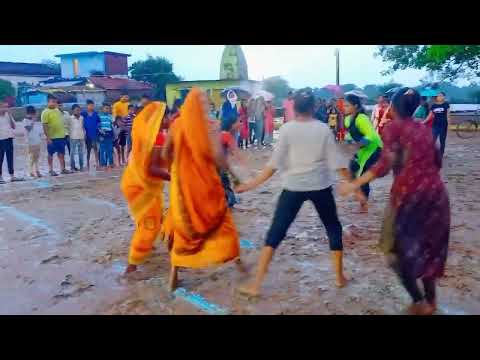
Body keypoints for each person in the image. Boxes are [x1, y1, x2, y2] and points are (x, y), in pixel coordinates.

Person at [338, 88, 450, 315]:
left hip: (408, 199)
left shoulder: (393, 128)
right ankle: (431, 301)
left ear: (394, 108)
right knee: (429, 250)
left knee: (393, 252)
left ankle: (418, 301)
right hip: (437, 197)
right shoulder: (425, 130)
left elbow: (383, 165)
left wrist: (354, 184)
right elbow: (437, 162)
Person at [235, 89, 350, 298]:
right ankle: (339, 277)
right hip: (320, 186)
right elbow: (337, 163)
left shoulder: (287, 130)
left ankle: (256, 284)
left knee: (275, 233)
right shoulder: (323, 129)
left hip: (293, 187)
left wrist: (251, 184)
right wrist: (354, 185)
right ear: (314, 107)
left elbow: (273, 166)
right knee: (333, 228)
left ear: (294, 108)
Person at [160, 87, 242, 291]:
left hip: (182, 186)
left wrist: (176, 166)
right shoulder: (210, 127)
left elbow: (164, 153)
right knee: (221, 221)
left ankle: (174, 274)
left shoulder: (176, 125)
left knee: (183, 228)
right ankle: (239, 263)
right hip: (206, 186)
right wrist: (235, 176)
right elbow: (218, 158)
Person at [121, 101, 171, 274]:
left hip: (135, 182)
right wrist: (175, 178)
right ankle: (132, 265)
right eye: (167, 116)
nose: (170, 119)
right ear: (160, 118)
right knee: (150, 225)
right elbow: (153, 168)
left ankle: (144, 248)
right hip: (142, 187)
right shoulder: (156, 137)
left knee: (151, 218)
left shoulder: (148, 135)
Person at [343, 93, 383, 212]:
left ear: (355, 106)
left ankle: (363, 205)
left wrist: (356, 145)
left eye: (347, 105)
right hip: (362, 151)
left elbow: (370, 135)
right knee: (352, 170)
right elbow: (350, 134)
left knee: (362, 175)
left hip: (373, 149)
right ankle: (361, 197)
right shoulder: (347, 119)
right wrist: (347, 142)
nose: (344, 108)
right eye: (344, 105)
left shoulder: (362, 118)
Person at [41, 95, 71, 176]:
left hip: (61, 136)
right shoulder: (45, 112)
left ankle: (63, 169)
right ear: (48, 102)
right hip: (52, 138)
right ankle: (50, 170)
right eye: (52, 102)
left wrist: (65, 134)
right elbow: (44, 126)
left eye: (55, 102)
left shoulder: (58, 111)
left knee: (61, 153)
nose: (54, 103)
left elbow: (62, 123)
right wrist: (48, 137)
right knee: (50, 154)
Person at [0, 103, 23, 184]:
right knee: (0, 158)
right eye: (3, 107)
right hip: (1, 139)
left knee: (10, 157)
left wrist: (9, 115)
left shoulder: (8, 115)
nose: (5, 108)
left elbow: (14, 126)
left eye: (6, 107)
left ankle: (12, 176)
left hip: (9, 138)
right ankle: (0, 177)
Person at [428, 92, 450, 159]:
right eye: (438, 96)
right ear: (436, 97)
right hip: (435, 125)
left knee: (442, 140)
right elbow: (430, 115)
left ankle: (441, 154)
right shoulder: (433, 106)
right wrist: (424, 122)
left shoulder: (446, 104)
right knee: (432, 140)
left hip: (443, 125)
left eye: (441, 96)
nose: (439, 97)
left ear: (444, 97)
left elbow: (448, 115)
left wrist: (449, 124)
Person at [23, 106, 43, 178]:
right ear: (31, 113)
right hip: (30, 142)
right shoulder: (25, 120)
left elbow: (38, 131)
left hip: (37, 141)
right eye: (34, 113)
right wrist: (33, 121)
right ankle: (31, 171)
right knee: (31, 157)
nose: (36, 114)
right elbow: (28, 129)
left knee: (37, 157)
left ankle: (37, 170)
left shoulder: (35, 121)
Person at [81, 99, 100, 170]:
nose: (91, 107)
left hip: (95, 135)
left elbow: (99, 123)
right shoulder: (83, 114)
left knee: (96, 149)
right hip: (87, 135)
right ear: (87, 106)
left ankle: (97, 163)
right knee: (88, 150)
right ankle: (87, 164)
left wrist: (99, 130)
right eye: (90, 105)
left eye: (92, 105)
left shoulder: (96, 114)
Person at [68, 104, 85, 172]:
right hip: (73, 137)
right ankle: (72, 167)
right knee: (72, 153)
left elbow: (83, 127)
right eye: (76, 110)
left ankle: (81, 167)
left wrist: (84, 135)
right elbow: (68, 128)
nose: (78, 111)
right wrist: (69, 136)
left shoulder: (82, 118)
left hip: (81, 137)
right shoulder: (70, 118)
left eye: (79, 110)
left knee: (81, 153)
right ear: (73, 111)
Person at [98, 103, 114, 170]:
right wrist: (100, 134)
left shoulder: (111, 116)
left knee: (110, 150)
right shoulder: (99, 116)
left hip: (109, 134)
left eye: (108, 108)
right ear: (102, 109)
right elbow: (97, 126)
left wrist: (113, 135)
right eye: (106, 108)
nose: (107, 110)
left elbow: (112, 126)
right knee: (102, 150)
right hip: (102, 134)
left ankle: (111, 163)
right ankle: (103, 164)